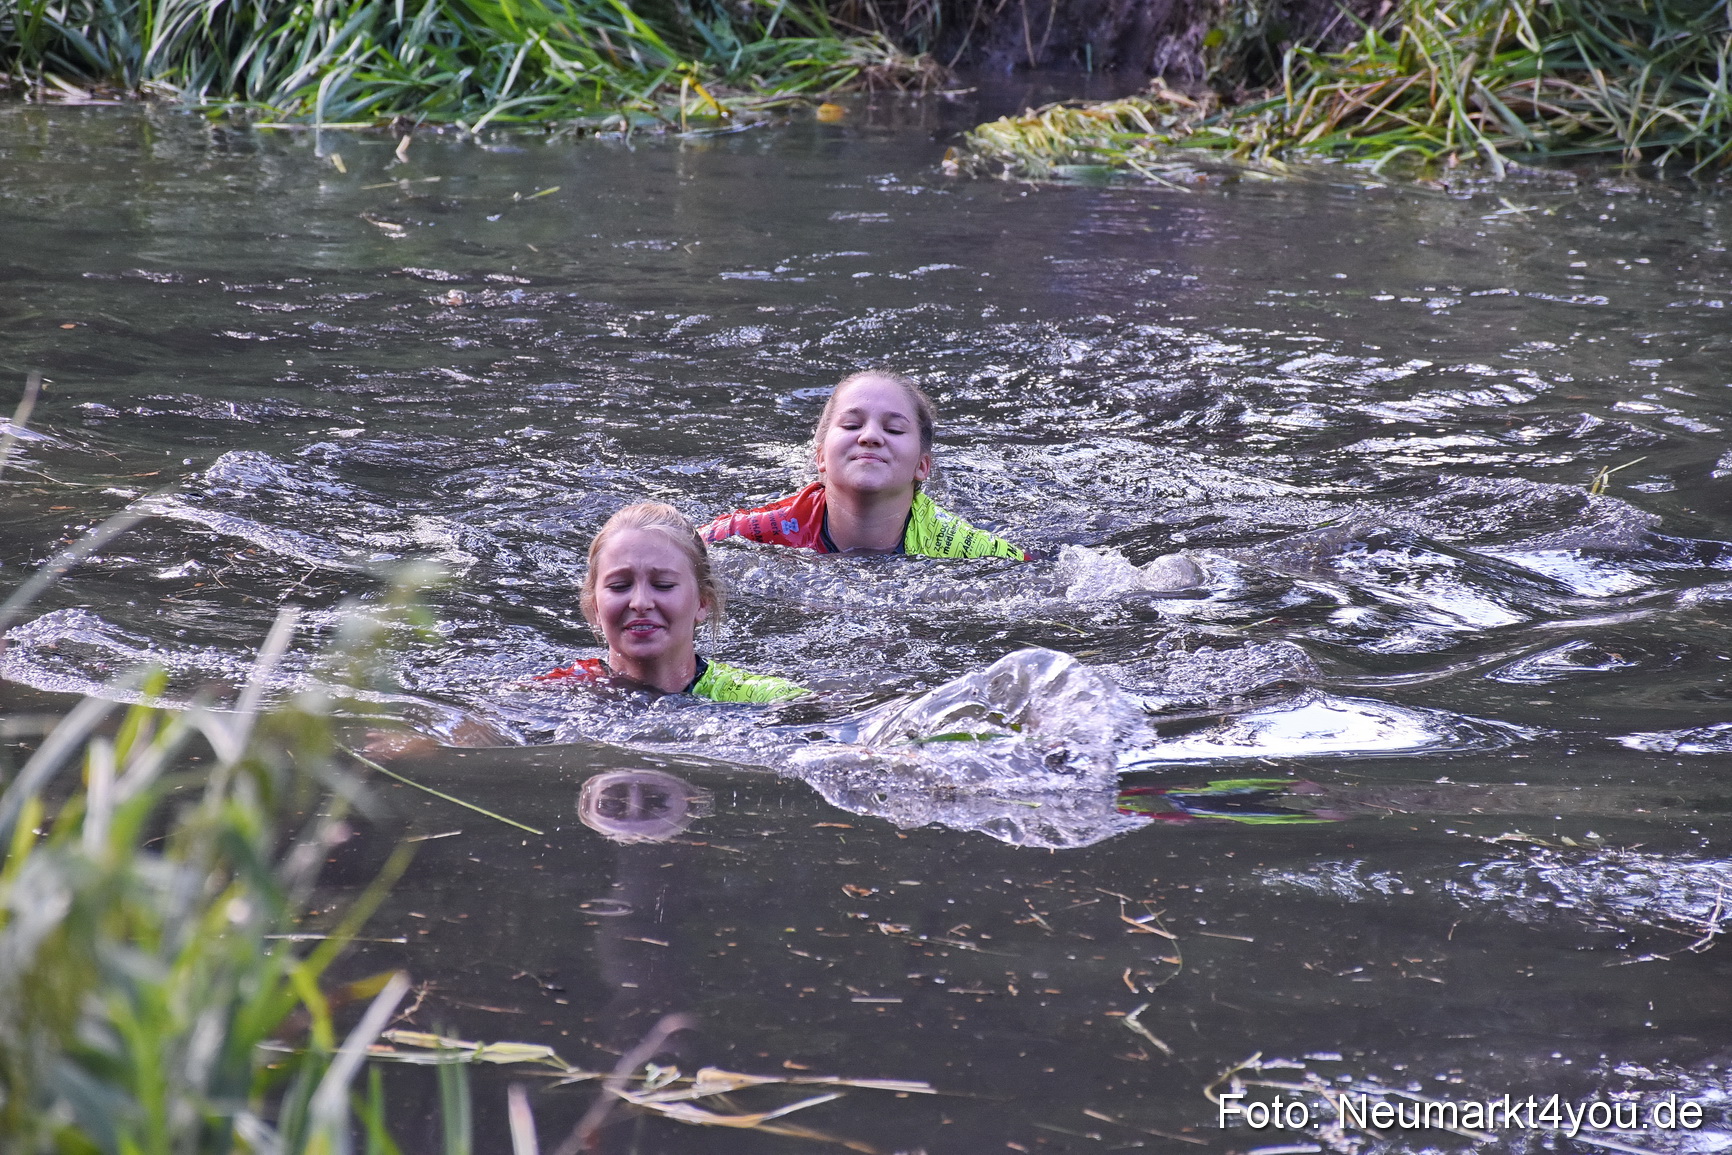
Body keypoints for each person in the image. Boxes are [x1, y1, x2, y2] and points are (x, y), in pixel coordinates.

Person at [699, 370, 1027, 559]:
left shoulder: (955, 543)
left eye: (894, 429)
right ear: (821, 457)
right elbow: (679, 545)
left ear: (922, 466)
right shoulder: (772, 527)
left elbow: (1045, 567)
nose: (870, 436)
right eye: (852, 425)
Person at [537, 502, 805, 703]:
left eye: (663, 585)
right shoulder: (564, 692)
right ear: (595, 607)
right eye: (619, 586)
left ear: (703, 602)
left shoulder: (757, 697)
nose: (640, 603)